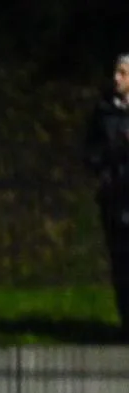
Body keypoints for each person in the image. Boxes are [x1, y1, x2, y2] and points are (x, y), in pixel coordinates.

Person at [85, 54, 129, 341]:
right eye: (116, 72)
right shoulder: (103, 113)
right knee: (122, 264)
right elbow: (90, 155)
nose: (116, 78)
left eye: (123, 73)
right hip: (117, 197)